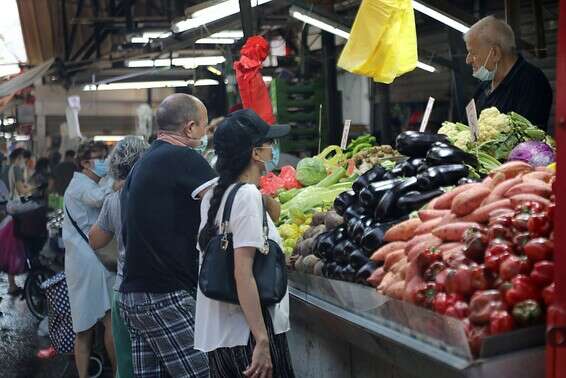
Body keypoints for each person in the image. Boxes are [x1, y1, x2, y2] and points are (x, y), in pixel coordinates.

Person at [118, 94, 215, 377]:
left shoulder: (143, 162)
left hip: (132, 296)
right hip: (163, 295)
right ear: (190, 128)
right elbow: (226, 204)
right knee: (203, 373)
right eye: (205, 128)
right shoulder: (183, 157)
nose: (205, 134)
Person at [195, 109, 295, 378]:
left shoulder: (215, 193)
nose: (273, 148)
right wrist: (262, 340)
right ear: (254, 152)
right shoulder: (246, 195)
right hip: (247, 335)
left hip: (222, 334)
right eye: (268, 143)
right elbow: (243, 273)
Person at [88, 136, 149, 378]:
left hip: (123, 289)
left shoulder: (114, 200)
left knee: (127, 364)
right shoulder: (158, 194)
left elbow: (96, 240)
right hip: (158, 288)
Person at [62, 142, 116, 378]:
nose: (103, 160)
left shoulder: (90, 182)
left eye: (105, 156)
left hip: (90, 262)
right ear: (85, 163)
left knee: (91, 325)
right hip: (89, 263)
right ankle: (116, 372)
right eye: (99, 157)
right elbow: (97, 199)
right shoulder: (80, 186)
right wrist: (116, 180)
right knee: (100, 323)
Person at [465, 16, 553, 130]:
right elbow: (467, 128)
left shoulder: (532, 83)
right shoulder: (483, 87)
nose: (468, 60)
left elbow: (524, 140)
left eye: (473, 53)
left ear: (495, 53)